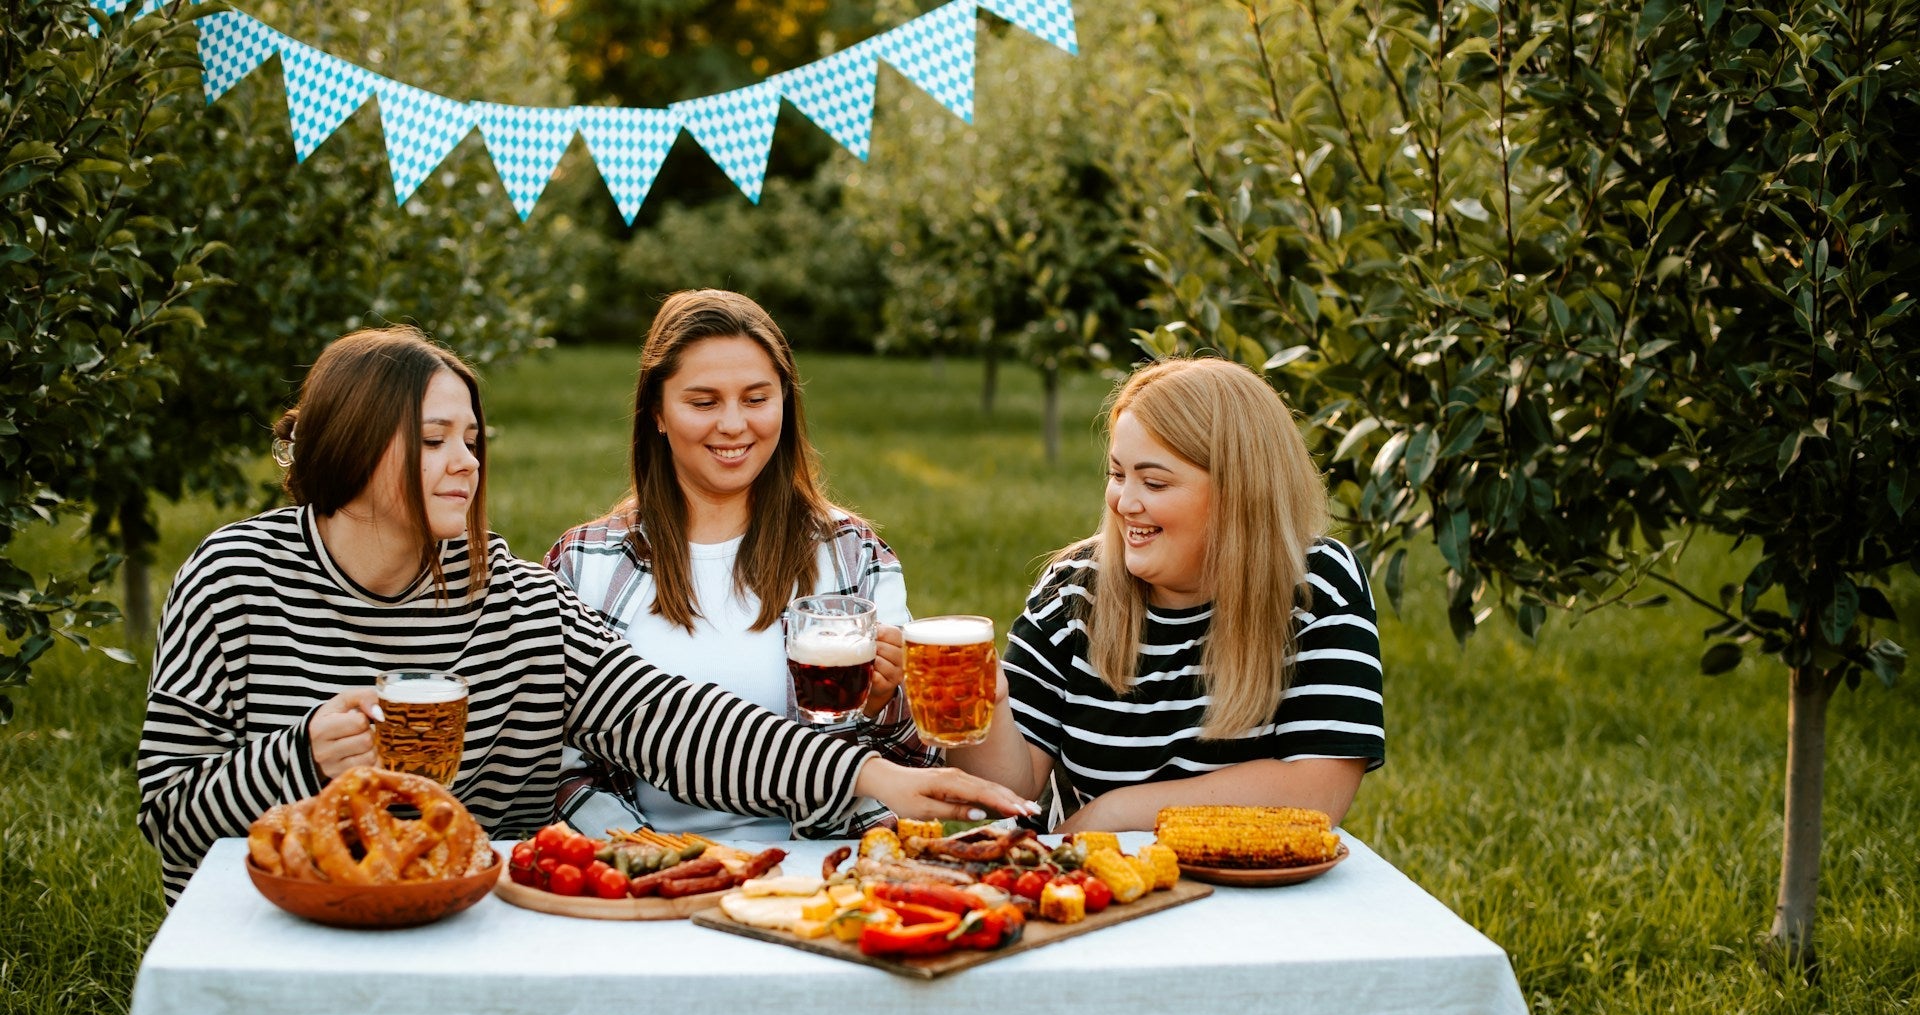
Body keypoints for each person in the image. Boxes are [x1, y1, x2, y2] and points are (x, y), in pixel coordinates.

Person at [137, 325, 1031, 905]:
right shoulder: (235, 577)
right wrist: (297, 758)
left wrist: (876, 782)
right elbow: (167, 813)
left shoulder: (516, 598)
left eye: (473, 440)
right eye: (434, 440)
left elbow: (670, 718)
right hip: (272, 921)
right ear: (352, 443)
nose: (465, 465)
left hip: (466, 924)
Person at [545, 291, 936, 842]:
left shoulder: (850, 551)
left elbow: (913, 767)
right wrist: (651, 858)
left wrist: (879, 703)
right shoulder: (584, 563)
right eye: (703, 402)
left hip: (819, 870)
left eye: (756, 398)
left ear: (785, 404)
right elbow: (558, 766)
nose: (733, 425)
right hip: (640, 876)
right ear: (656, 412)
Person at [948, 357, 1385, 833]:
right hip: (1097, 895)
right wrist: (986, 705)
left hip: (1257, 894)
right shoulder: (1074, 589)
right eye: (1118, 475)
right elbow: (1010, 792)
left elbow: (1315, 794)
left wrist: (1113, 813)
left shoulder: (1315, 585)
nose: (1125, 503)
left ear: (1239, 492)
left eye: (1153, 482)